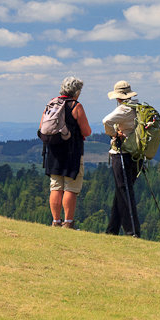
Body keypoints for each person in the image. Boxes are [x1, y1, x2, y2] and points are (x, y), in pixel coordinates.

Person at [42, 76, 91, 228]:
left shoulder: (51, 103)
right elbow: (87, 131)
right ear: (76, 91)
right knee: (71, 187)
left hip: (53, 152)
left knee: (56, 186)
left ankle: (55, 221)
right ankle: (68, 222)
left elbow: (42, 127)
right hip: (72, 152)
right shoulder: (76, 106)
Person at [102, 80, 142, 236]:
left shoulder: (124, 110)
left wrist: (113, 134)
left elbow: (106, 121)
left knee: (124, 191)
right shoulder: (137, 107)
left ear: (118, 97)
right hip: (135, 154)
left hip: (122, 153)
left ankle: (132, 231)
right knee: (122, 190)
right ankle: (112, 230)